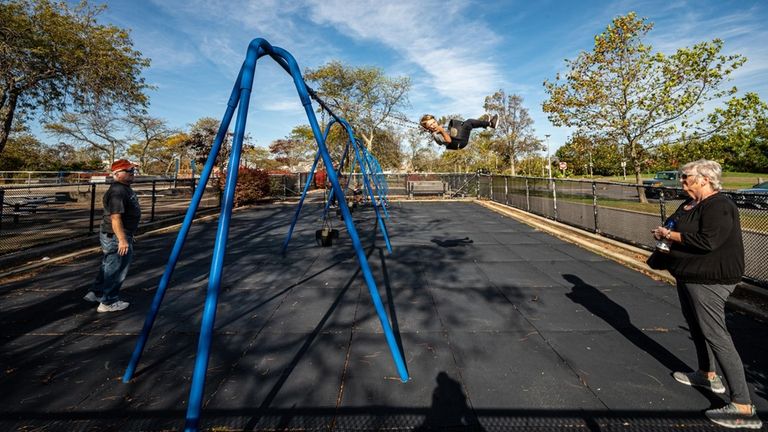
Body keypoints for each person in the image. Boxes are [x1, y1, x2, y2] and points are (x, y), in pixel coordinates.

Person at [649, 159, 761, 429]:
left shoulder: (720, 205)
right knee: (697, 328)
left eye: (686, 176)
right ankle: (707, 374)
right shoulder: (689, 204)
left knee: (716, 335)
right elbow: (676, 227)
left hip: (710, 279)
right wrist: (667, 236)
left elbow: (708, 240)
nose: (682, 181)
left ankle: (744, 407)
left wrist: (670, 235)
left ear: (705, 179)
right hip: (688, 275)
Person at [83, 159, 141, 313]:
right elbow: (116, 218)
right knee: (117, 268)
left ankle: (96, 292)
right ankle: (108, 301)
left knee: (108, 265)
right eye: (128, 171)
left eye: (132, 170)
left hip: (120, 234)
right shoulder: (118, 192)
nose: (132, 173)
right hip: (116, 236)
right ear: (117, 174)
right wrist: (122, 239)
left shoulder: (124, 188)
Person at [420, 113, 497, 150]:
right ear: (428, 128)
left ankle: (485, 124)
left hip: (458, 139)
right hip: (459, 143)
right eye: (430, 125)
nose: (433, 125)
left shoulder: (439, 128)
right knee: (469, 122)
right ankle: (491, 124)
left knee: (466, 124)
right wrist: (442, 131)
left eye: (434, 122)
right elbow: (449, 140)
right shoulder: (436, 136)